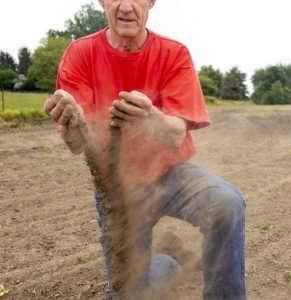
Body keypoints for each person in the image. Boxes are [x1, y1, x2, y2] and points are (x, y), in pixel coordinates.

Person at [43, 0, 246, 299]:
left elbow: (176, 134)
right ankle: (167, 266)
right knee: (130, 294)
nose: (126, 6)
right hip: (117, 190)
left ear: (151, 1)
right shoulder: (81, 53)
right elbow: (76, 144)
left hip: (171, 174)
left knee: (227, 204)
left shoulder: (173, 53)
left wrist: (150, 118)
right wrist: (72, 122)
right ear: (102, 1)